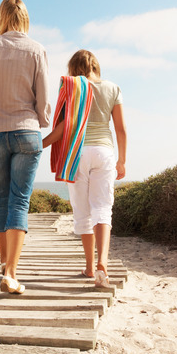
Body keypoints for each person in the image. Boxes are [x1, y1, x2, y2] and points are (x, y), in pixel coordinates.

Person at [0, 0, 50, 294]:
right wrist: (40, 119)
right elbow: (43, 99)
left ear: (2, 17)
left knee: (1, 200)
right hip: (26, 131)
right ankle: (11, 272)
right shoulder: (37, 49)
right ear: (26, 19)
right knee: (19, 201)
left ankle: (5, 267)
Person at [43, 50, 127, 288]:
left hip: (77, 153)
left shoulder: (73, 88)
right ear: (96, 67)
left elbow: (64, 128)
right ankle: (102, 264)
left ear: (73, 68)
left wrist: (40, 145)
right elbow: (120, 129)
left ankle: (89, 267)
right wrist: (122, 160)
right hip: (104, 152)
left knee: (83, 212)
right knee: (102, 208)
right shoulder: (113, 88)